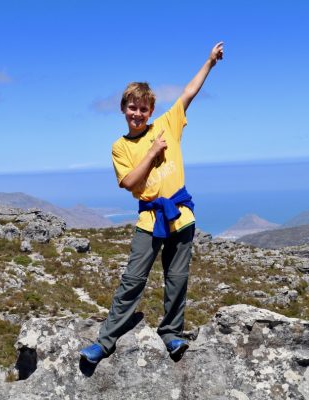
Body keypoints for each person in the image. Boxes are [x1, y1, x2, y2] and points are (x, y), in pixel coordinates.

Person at [79, 42, 224, 364]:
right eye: (132, 107)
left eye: (143, 109)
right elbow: (130, 183)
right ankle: (105, 342)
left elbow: (188, 93)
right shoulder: (119, 147)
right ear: (123, 108)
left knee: (177, 279)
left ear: (151, 111)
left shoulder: (167, 124)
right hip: (149, 219)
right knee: (133, 280)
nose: (137, 113)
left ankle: (171, 333)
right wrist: (151, 153)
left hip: (181, 216)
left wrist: (209, 63)